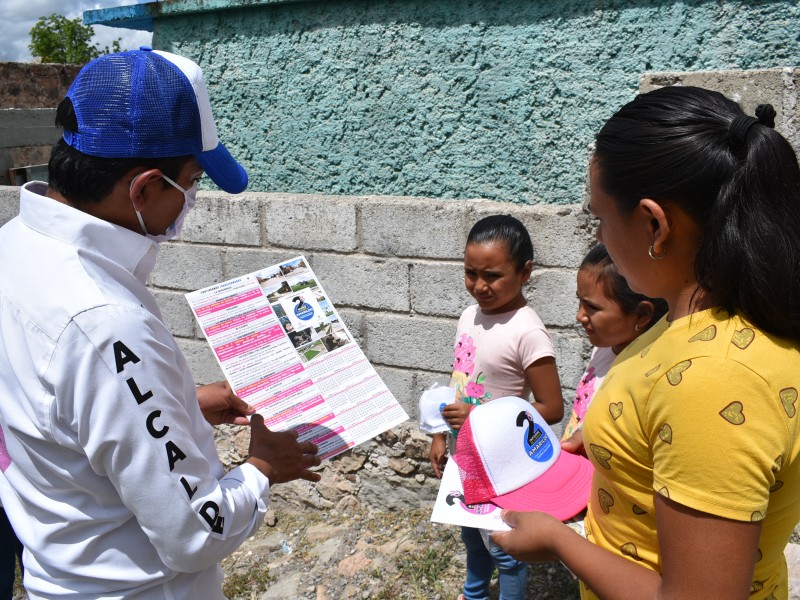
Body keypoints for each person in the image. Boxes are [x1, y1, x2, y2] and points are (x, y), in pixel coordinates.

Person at [0, 48, 321, 599]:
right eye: (191, 182)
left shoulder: (14, 246)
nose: (192, 201)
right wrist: (265, 466)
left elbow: (52, 410)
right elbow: (196, 532)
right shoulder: (103, 321)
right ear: (144, 188)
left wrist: (182, 403)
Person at [493, 86, 800, 600]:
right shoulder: (697, 317)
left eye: (599, 217)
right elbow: (661, 417)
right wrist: (600, 447)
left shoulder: (714, 380)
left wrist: (560, 542)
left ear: (655, 224)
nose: (600, 237)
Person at [428, 214, 564, 600]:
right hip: (465, 455)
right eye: (471, 273)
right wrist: (441, 435)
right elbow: (461, 383)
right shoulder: (468, 316)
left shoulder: (527, 331)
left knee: (506, 551)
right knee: (472, 538)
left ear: (525, 272)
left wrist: (482, 417)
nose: (479, 286)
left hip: (502, 465)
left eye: (492, 275)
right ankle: (474, 595)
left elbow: (552, 408)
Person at [561, 243, 667, 446]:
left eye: (592, 307)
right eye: (580, 302)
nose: (579, 316)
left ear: (643, 314)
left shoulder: (645, 374)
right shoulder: (602, 348)